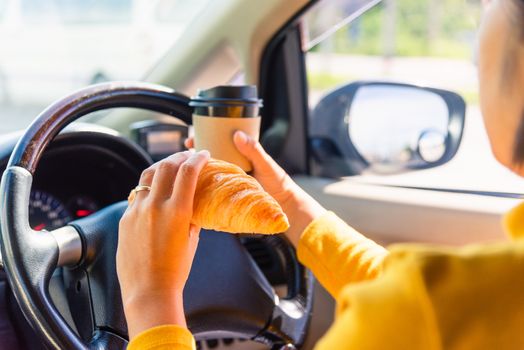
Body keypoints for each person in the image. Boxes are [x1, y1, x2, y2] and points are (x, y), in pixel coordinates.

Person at [117, 0, 524, 348]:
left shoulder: (425, 311)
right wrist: (289, 202)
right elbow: (428, 298)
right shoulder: (468, 301)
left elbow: (425, 304)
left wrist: (151, 299)